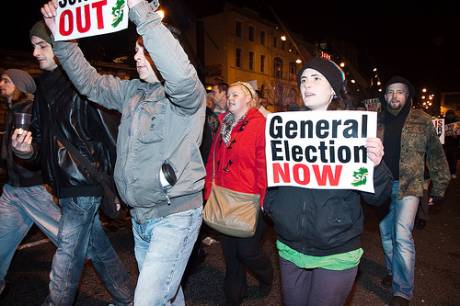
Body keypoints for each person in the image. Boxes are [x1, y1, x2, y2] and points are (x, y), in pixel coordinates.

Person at [38, 0, 206, 304]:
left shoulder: (188, 96)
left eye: (144, 51)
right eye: (136, 50)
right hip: (140, 219)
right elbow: (90, 83)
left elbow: (179, 75)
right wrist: (62, 38)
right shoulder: (132, 93)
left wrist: (141, 13)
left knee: (148, 300)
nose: (136, 56)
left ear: (165, 54)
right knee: (167, 295)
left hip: (175, 216)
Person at [11, 21, 134, 306]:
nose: (35, 52)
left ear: (59, 48)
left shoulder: (84, 85)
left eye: (42, 46)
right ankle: (126, 298)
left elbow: (110, 137)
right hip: (62, 185)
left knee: (67, 253)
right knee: (98, 246)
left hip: (84, 183)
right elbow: (41, 142)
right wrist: (27, 151)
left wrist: (117, 185)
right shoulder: (43, 89)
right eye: (33, 46)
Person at [263, 58, 393, 306]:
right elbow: (275, 178)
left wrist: (376, 166)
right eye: (303, 79)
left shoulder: (354, 131)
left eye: (316, 78)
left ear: (333, 89)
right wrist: (273, 206)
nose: (307, 85)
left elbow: (377, 198)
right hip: (290, 246)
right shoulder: (284, 127)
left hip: (337, 249)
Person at [378, 76, 450, 306]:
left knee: (402, 235)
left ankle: (402, 291)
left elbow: (436, 154)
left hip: (410, 185)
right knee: (385, 233)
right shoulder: (375, 120)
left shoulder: (422, 120)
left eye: (400, 91)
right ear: (385, 95)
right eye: (390, 92)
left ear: (408, 95)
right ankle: (392, 270)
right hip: (381, 186)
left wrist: (440, 185)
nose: (394, 96)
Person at [204, 81, 273, 305]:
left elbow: (264, 165)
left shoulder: (260, 124)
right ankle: (234, 295)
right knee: (230, 255)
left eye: (236, 94)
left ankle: (266, 275)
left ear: (249, 99)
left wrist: (265, 200)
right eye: (229, 94)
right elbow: (213, 161)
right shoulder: (224, 123)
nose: (230, 97)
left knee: (247, 252)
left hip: (249, 199)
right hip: (224, 196)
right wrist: (208, 191)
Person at [0, 69, 61, 297]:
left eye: (7, 81)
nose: (1, 84)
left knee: (71, 240)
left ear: (20, 86)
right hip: (13, 189)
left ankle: (115, 280)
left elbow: (42, 149)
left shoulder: (30, 111)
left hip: (33, 189)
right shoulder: (13, 110)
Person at [444, 109, 459, 178]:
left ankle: (452, 172)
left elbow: (457, 135)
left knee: (452, 159)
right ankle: (449, 172)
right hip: (446, 145)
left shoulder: (456, 123)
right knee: (447, 159)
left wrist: (456, 136)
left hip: (452, 144)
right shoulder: (443, 122)